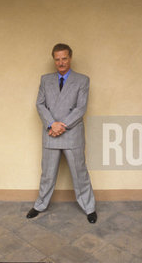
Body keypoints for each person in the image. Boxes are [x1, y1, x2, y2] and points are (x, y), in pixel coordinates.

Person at [26, 43, 97, 224]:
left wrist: (61, 125)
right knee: (47, 174)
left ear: (70, 58)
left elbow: (81, 108)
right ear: (54, 60)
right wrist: (52, 124)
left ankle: (89, 208)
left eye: (64, 58)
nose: (61, 62)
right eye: (57, 59)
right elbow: (39, 104)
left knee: (79, 173)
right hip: (51, 133)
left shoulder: (82, 80)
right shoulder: (45, 79)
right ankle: (40, 204)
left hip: (72, 134)